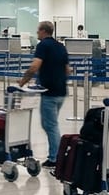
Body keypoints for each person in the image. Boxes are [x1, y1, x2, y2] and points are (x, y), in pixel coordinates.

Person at [16, 21, 69, 169]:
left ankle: (55, 159)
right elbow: (67, 70)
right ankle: (57, 155)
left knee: (50, 125)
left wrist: (23, 81)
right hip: (61, 91)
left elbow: (34, 66)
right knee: (52, 125)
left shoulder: (43, 45)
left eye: (38, 31)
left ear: (44, 31)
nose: (37, 33)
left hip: (49, 92)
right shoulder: (61, 46)